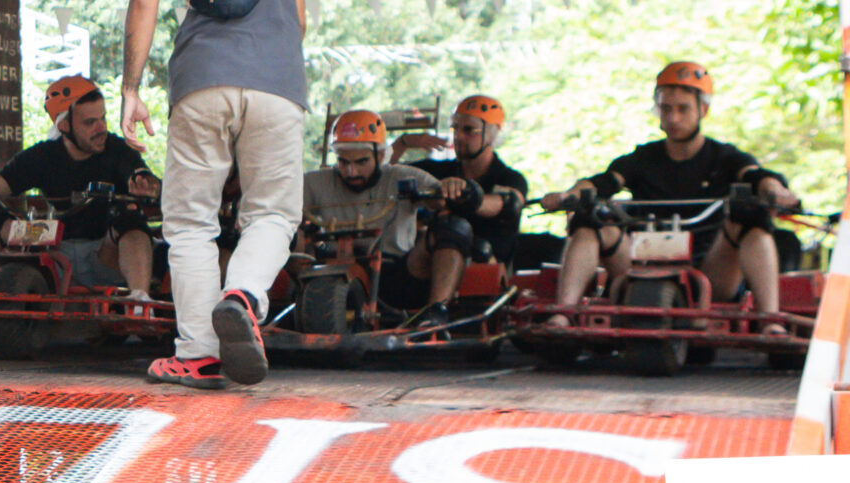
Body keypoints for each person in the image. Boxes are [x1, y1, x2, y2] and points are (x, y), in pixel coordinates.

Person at [119, 0, 310, 390]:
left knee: (190, 222)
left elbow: (144, 5)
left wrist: (130, 88)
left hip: (201, 80)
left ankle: (199, 351)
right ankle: (244, 294)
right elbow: (300, 19)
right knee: (274, 212)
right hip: (278, 82)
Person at [537, 61, 800, 317]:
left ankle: (770, 320)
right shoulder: (642, 158)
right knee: (588, 219)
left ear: (703, 110)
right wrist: (568, 196)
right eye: (666, 109)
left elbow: (758, 177)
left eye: (683, 109)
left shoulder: (726, 157)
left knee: (753, 220)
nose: (673, 118)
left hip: (711, 271)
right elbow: (601, 183)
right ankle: (564, 313)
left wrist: (776, 192)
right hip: (640, 266)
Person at [0, 74, 159, 296]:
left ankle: (139, 301)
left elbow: (141, 175)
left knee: (131, 220)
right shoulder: (44, 155)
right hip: (55, 256)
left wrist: (148, 186)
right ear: (64, 125)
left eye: (102, 119)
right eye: (90, 122)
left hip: (106, 255)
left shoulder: (117, 150)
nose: (101, 128)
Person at [386, 94, 529, 326]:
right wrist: (404, 143)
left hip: (485, 272)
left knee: (456, 229)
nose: (459, 136)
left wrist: (469, 195)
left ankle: (436, 314)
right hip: (428, 267)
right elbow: (380, 175)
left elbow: (507, 202)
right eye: (456, 128)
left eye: (469, 130)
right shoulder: (437, 171)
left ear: (492, 134)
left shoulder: (510, 178)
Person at [299, 110, 439, 319]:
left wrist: (450, 189)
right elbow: (281, 205)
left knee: (450, 228)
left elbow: (441, 196)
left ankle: (436, 311)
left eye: (361, 162)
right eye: (343, 162)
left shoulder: (402, 176)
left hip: (394, 275)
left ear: (381, 155)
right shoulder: (315, 182)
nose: (350, 172)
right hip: (328, 272)